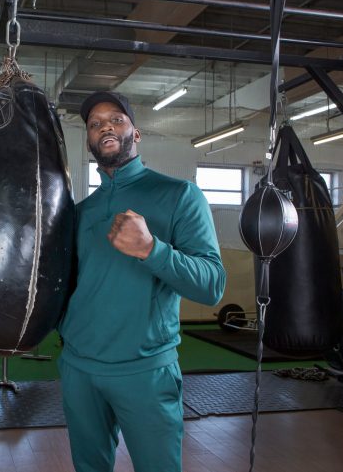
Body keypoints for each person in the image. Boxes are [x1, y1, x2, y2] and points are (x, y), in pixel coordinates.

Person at [58, 91, 226, 472]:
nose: (106, 127)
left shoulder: (179, 195)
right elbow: (62, 288)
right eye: (96, 123)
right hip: (79, 369)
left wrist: (152, 249)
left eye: (116, 119)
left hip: (145, 371)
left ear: (137, 132)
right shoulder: (80, 212)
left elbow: (212, 285)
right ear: (89, 139)